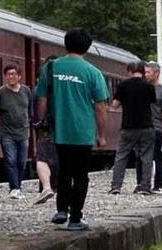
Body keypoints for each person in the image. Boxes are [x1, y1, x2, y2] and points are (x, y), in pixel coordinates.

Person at [35, 29, 110, 231]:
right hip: (82, 132)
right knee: (80, 175)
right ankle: (75, 218)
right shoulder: (93, 72)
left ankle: (61, 210)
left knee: (63, 171)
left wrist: (41, 123)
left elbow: (41, 99)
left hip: (59, 130)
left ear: (65, 44)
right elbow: (100, 107)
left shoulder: (50, 68)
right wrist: (101, 135)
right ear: (87, 47)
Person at [108, 61, 157, 195]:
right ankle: (145, 186)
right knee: (146, 157)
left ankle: (116, 186)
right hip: (146, 127)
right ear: (142, 71)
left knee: (121, 156)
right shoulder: (149, 86)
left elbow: (115, 105)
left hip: (128, 127)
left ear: (129, 71)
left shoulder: (123, 85)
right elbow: (152, 103)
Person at [0, 64, 33, 199]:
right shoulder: (0, 93)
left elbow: (30, 110)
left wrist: (29, 122)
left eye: (13, 74)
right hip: (7, 133)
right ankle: (14, 187)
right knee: (10, 160)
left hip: (23, 132)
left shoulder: (26, 91)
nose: (11, 76)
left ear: (19, 76)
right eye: (8, 74)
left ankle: (18, 186)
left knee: (21, 161)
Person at [31, 56, 58, 206]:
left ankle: (46, 187)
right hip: (63, 128)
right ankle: (59, 188)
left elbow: (38, 106)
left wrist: (39, 122)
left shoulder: (38, 89)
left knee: (42, 159)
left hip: (45, 128)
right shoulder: (63, 88)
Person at [140, 61, 162, 193]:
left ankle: (158, 184)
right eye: (145, 72)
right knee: (143, 156)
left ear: (156, 73)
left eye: (148, 72)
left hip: (156, 127)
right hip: (142, 126)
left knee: (157, 156)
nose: (146, 75)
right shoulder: (143, 88)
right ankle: (143, 183)